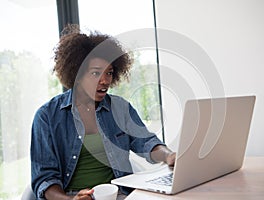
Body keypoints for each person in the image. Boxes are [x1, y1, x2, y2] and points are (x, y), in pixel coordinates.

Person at [30, 24, 176, 200]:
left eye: (109, 73)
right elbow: (45, 180)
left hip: (119, 194)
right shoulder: (46, 117)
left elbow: (146, 142)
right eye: (95, 73)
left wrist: (169, 156)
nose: (105, 80)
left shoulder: (120, 108)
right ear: (77, 74)